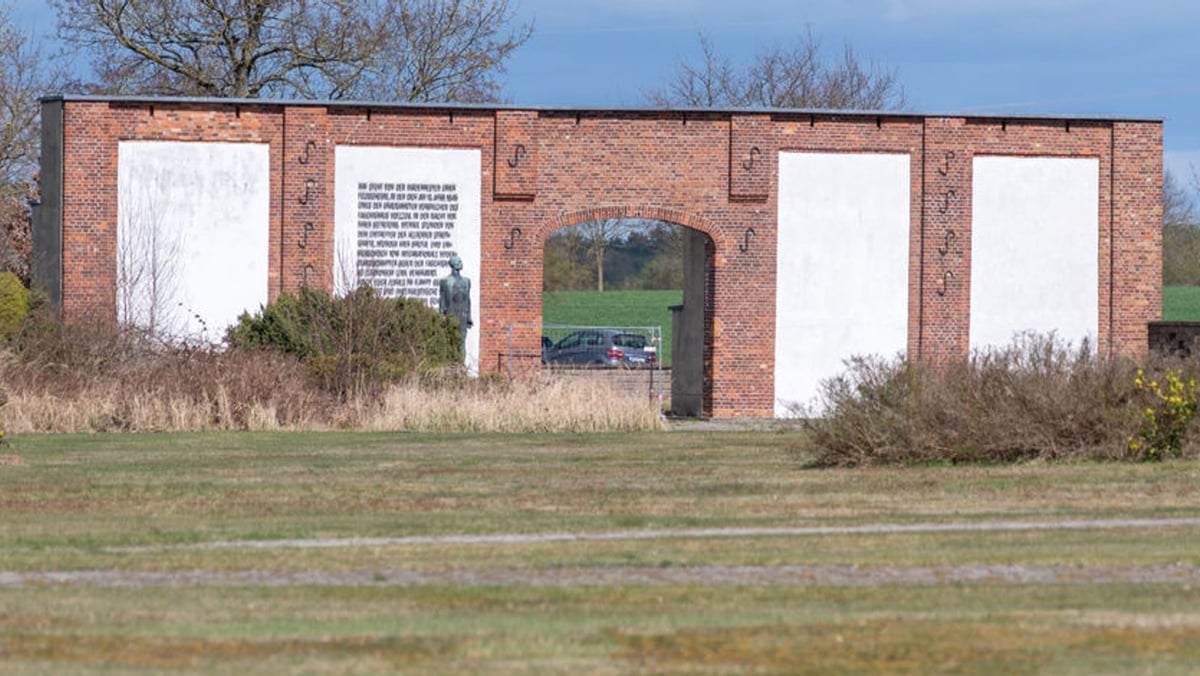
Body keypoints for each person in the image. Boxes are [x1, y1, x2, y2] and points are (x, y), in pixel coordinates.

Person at [438, 255, 472, 356]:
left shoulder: (467, 281)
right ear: (452, 264)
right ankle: (452, 367)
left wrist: (469, 317)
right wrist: (442, 317)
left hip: (463, 316)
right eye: (458, 261)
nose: (460, 263)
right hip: (451, 315)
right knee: (451, 342)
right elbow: (442, 301)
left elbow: (468, 300)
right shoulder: (445, 282)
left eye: (460, 261)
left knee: (462, 343)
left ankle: (461, 367)